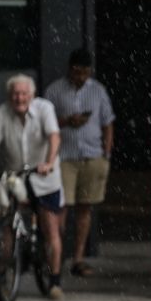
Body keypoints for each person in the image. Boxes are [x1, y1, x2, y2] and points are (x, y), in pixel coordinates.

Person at [0, 74, 66, 299]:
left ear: (31, 95)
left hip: (44, 177)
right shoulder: (3, 113)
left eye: (23, 94)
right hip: (15, 176)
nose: (19, 98)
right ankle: (0, 279)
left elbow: (54, 137)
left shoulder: (44, 109)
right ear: (9, 96)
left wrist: (49, 162)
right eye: (15, 94)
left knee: (50, 227)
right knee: (7, 227)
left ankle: (55, 281)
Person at [45, 48, 115, 278]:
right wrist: (67, 121)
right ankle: (56, 257)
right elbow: (44, 123)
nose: (80, 77)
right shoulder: (55, 90)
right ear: (69, 69)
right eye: (76, 72)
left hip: (92, 155)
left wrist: (106, 152)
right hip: (64, 157)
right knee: (60, 208)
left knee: (85, 208)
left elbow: (108, 122)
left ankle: (78, 259)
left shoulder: (98, 90)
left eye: (84, 72)